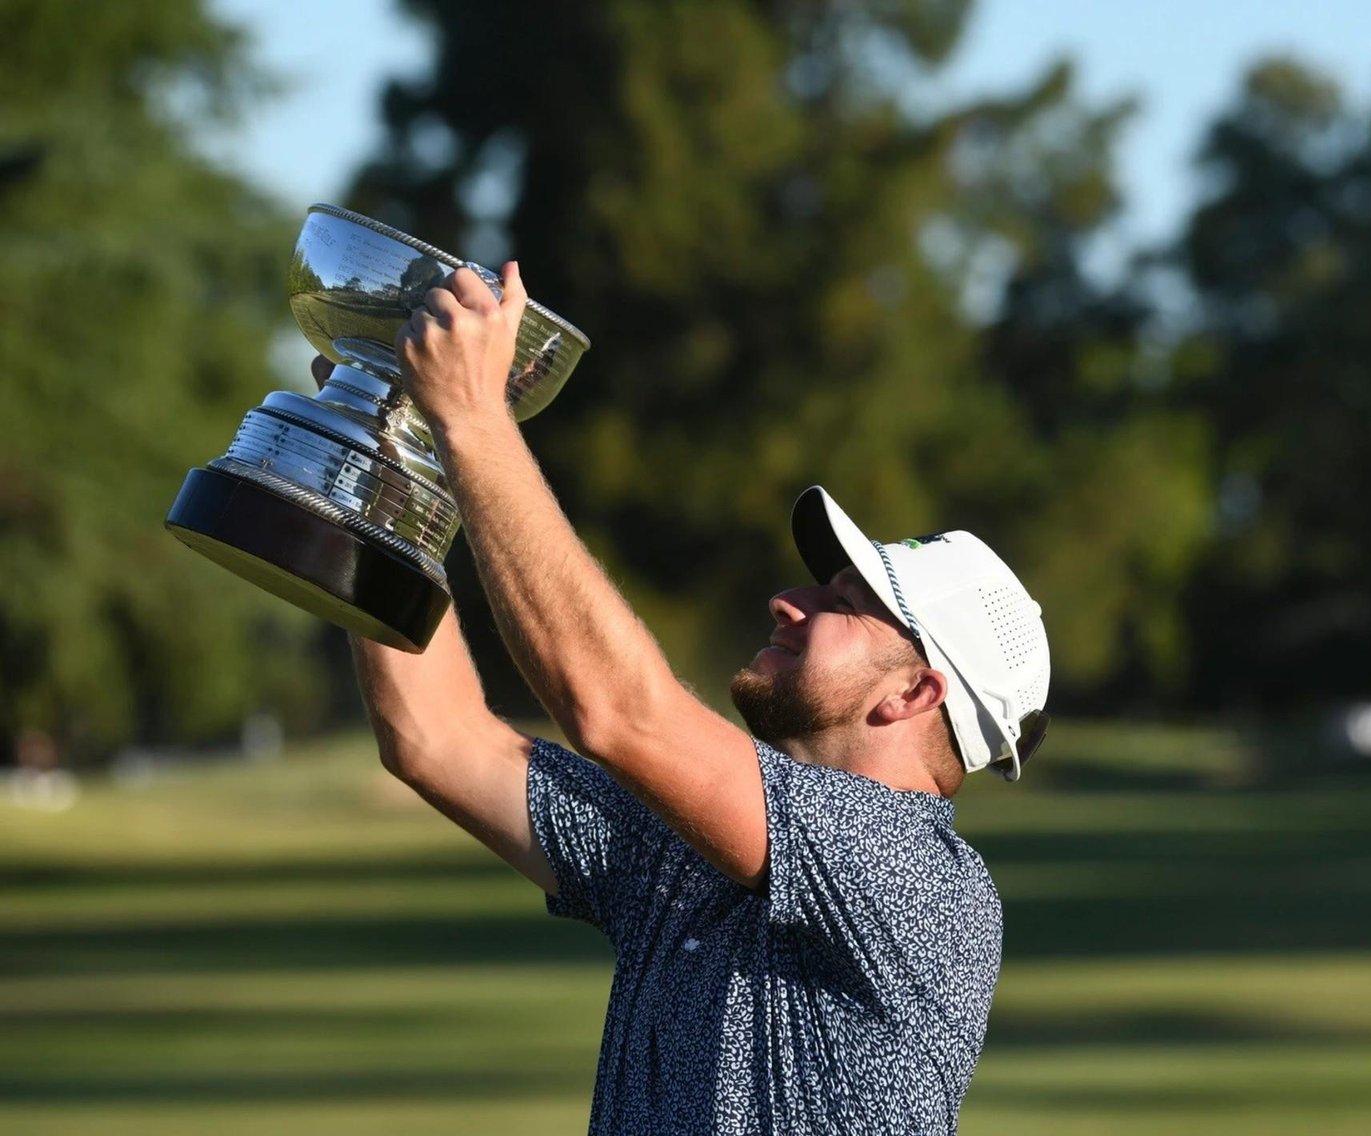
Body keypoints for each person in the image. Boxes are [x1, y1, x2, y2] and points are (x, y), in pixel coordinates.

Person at [345, 261, 1051, 1134]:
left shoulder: (918, 878)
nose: (790, 601)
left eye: (846, 607)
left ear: (916, 693)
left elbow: (617, 710)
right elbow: (435, 736)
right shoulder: (697, 849)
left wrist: (472, 418)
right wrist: (396, 473)